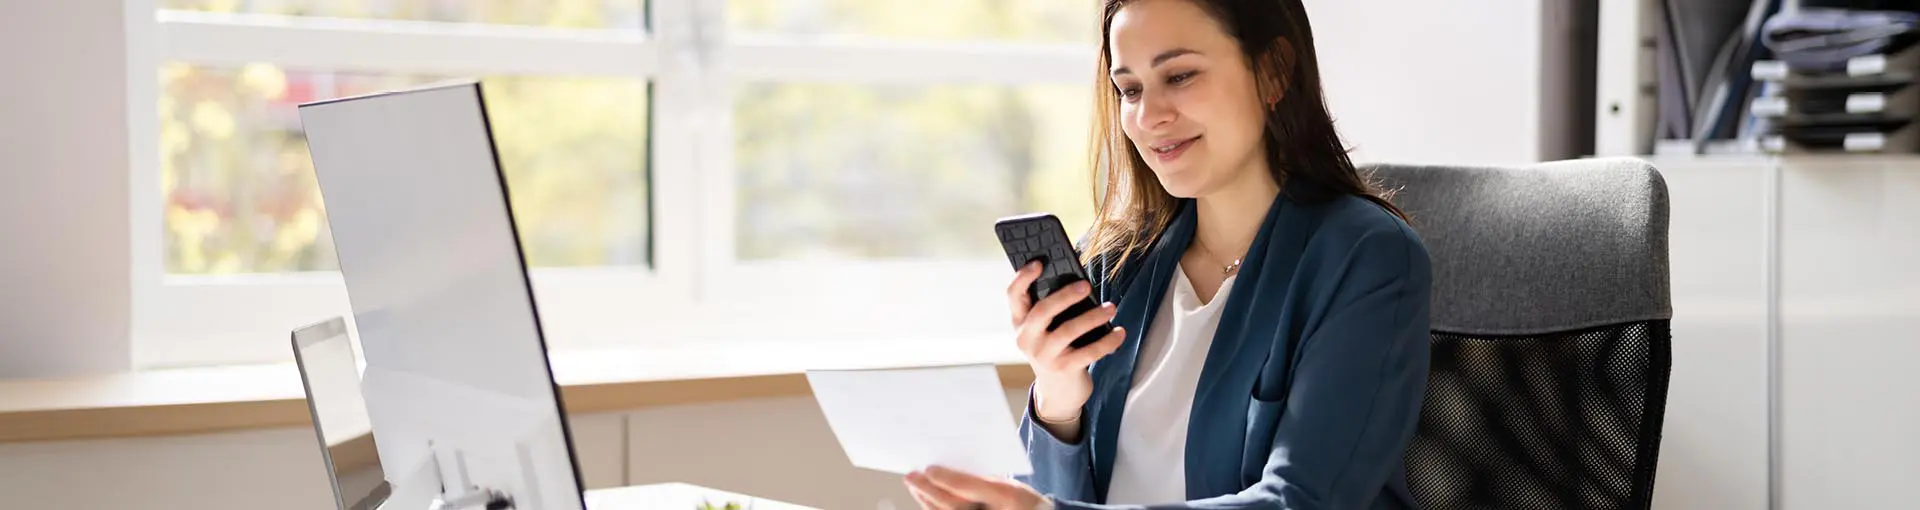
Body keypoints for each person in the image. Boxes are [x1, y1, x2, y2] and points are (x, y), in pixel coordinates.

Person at [902, 0, 1432, 508]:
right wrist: (1058, 397)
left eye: (1179, 76)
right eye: (1129, 89)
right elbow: (1050, 494)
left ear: (1273, 72)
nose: (1149, 115)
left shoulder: (1365, 258)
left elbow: (1301, 502)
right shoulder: (1115, 263)